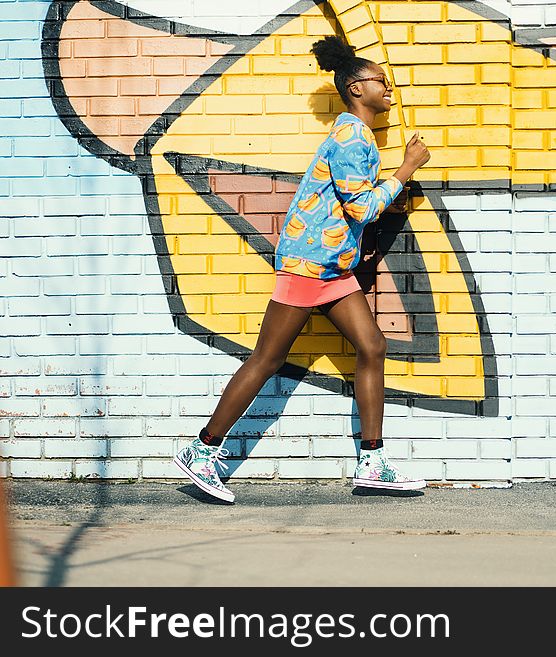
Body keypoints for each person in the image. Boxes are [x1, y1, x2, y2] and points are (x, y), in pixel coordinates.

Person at [173, 35, 431, 503]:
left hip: (330, 267)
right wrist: (404, 170)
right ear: (356, 88)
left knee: (371, 346)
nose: (389, 88)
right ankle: (202, 449)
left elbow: (347, 206)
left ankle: (371, 461)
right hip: (310, 265)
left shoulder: (356, 135)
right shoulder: (354, 135)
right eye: (381, 81)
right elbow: (359, 208)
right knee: (267, 359)